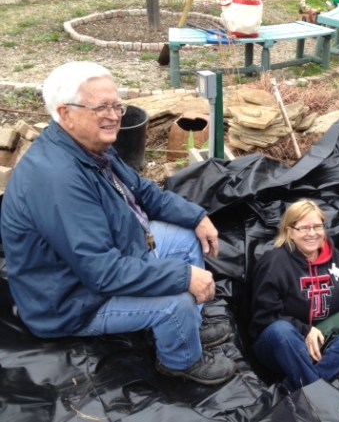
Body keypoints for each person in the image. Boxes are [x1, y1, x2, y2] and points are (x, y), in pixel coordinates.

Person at [0, 61, 237, 386]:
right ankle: (181, 361)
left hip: (106, 256)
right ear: (65, 113)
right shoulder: (58, 179)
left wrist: (196, 216)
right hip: (71, 300)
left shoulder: (90, 148)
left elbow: (144, 192)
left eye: (116, 105)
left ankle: (191, 325)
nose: (114, 116)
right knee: (176, 299)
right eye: (101, 107)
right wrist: (182, 277)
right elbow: (102, 272)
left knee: (185, 237)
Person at [249, 199, 339, 392]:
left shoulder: (337, 259)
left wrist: (320, 334)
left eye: (317, 226)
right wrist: (305, 331)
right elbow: (264, 317)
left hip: (323, 340)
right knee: (282, 331)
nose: (312, 233)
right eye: (304, 228)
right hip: (282, 345)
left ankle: (294, 388)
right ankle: (317, 395)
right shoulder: (274, 262)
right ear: (290, 231)